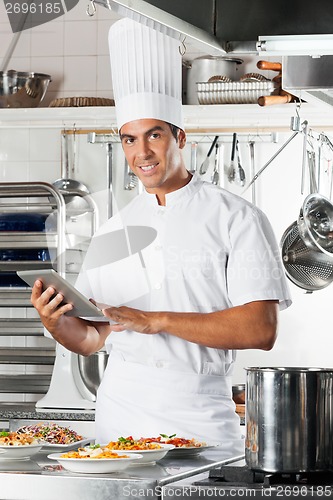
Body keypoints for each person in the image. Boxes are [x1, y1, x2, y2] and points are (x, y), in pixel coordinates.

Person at [30, 18, 291, 456]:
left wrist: (156, 320)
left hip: (200, 422)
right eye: (129, 140)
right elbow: (93, 339)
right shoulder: (113, 231)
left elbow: (260, 329)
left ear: (180, 138)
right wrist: (55, 323)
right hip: (119, 421)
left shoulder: (237, 218)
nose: (141, 153)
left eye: (154, 135)